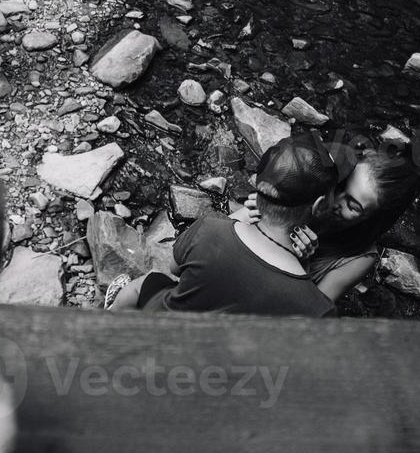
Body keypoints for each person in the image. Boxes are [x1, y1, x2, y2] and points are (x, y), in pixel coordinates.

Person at [105, 135, 338, 317]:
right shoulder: (318, 309)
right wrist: (303, 263)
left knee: (149, 281)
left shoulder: (209, 230)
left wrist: (236, 220)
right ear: (318, 205)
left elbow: (174, 269)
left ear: (259, 188)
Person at [239, 143, 420, 303]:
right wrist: (266, 208)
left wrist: (301, 263)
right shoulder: (318, 190)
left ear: (371, 219)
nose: (335, 202)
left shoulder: (361, 259)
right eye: (341, 187)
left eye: (352, 205)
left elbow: (309, 315)